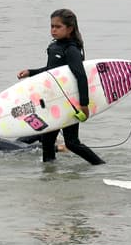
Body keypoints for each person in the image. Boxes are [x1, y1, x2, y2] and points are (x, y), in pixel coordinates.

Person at [15, 9, 105, 166]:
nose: (53, 30)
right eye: (51, 26)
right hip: (55, 101)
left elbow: (81, 76)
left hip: (69, 103)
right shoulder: (55, 46)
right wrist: (31, 72)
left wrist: (83, 104)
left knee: (72, 143)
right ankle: (50, 174)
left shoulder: (71, 50)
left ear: (69, 29)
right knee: (47, 140)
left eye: (58, 26)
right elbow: (52, 71)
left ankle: (100, 165)